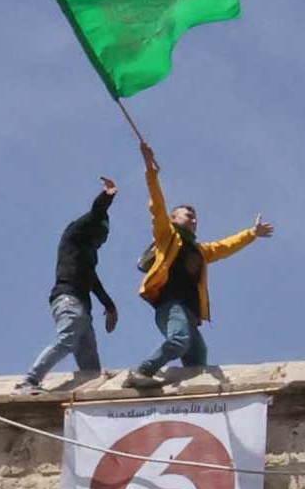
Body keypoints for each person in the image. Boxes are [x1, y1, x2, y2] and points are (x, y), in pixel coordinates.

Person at [130, 145, 270, 386]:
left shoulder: (200, 251)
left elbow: (225, 246)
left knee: (197, 357)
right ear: (174, 218)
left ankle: (192, 395)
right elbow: (157, 207)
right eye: (188, 215)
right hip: (171, 306)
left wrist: (252, 233)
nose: (194, 220)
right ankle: (141, 372)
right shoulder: (167, 236)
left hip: (189, 313)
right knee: (178, 340)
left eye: (195, 218)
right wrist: (150, 172)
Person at [25, 171, 123, 392]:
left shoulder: (88, 255)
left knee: (91, 368)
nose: (102, 240)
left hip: (82, 309)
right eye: (101, 234)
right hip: (68, 300)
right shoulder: (74, 236)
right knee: (67, 337)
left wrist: (109, 306)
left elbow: (93, 280)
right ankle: (30, 381)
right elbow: (96, 212)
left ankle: (92, 395)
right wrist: (107, 197)